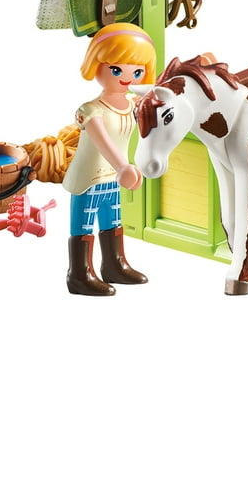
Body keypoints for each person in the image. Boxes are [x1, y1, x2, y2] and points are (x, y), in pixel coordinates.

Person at [63, 22, 156, 295]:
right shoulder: (90, 110)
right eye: (117, 70)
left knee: (112, 222)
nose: (127, 78)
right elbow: (102, 141)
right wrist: (123, 167)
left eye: (137, 71)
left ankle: (114, 265)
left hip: (114, 178)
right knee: (83, 225)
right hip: (89, 178)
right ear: (95, 65)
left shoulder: (132, 104)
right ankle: (79, 274)